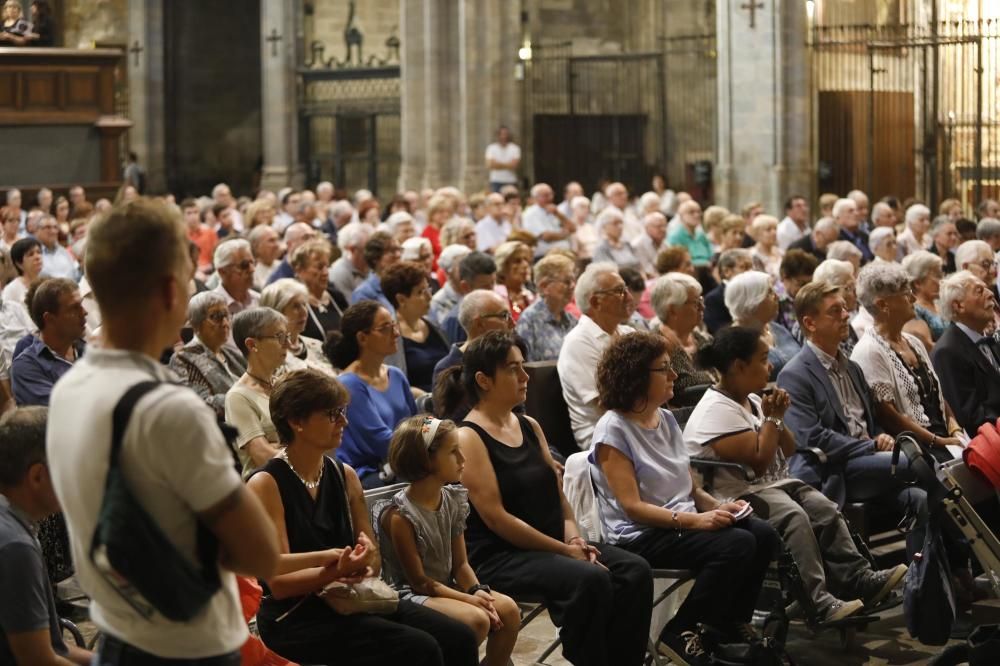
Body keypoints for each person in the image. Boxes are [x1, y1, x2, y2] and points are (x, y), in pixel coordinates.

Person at [47, 198, 279, 662]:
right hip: (186, 645)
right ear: (172, 291)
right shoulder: (169, 409)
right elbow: (261, 554)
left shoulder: (69, 387)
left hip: (118, 630)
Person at [444, 331, 654, 666]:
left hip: (553, 543)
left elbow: (559, 496)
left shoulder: (528, 424)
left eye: (523, 367)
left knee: (634, 570)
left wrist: (572, 536)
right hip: (503, 556)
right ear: (484, 380)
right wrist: (565, 550)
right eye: (513, 369)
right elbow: (497, 518)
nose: (525, 376)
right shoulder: (467, 437)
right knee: (591, 578)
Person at [247, 369, 479, 666]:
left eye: (342, 411)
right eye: (332, 414)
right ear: (296, 422)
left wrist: (365, 562)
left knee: (459, 636)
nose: (344, 421)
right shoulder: (267, 484)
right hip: (296, 617)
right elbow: (278, 583)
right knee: (420, 648)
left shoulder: (345, 475)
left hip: (352, 598)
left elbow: (372, 557)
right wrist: (338, 569)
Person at [685, 326, 906, 624]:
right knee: (794, 517)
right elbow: (761, 462)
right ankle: (817, 602)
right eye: (763, 359)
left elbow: (787, 448)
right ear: (739, 366)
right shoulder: (715, 410)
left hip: (771, 485)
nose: (771, 365)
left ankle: (859, 578)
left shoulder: (751, 398)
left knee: (824, 509)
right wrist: (773, 418)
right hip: (734, 496)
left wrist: (777, 416)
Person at [588, 331, 776, 664]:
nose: (675, 375)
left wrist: (717, 507)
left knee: (763, 534)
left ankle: (726, 625)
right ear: (637, 376)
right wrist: (697, 521)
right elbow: (632, 508)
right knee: (736, 545)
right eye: (664, 369)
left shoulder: (666, 419)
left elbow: (689, 488)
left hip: (678, 524)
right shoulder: (612, 429)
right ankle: (682, 630)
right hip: (640, 535)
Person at [776, 280, 928, 557]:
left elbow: (870, 421)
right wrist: (871, 445)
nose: (846, 315)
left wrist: (881, 437)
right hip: (834, 468)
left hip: (870, 463)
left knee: (923, 499)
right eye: (835, 311)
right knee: (920, 463)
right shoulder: (794, 374)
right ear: (810, 323)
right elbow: (812, 436)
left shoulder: (852, 367)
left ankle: (927, 585)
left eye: (846, 309)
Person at [382, 415, 521, 666]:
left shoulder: (452, 500)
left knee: (508, 611)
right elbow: (420, 582)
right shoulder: (400, 515)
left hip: (446, 587)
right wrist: (470, 600)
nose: (463, 460)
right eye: (454, 452)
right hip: (413, 594)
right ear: (427, 459)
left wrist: (478, 592)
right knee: (476, 621)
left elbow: (461, 565)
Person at [0, 407, 93, 666]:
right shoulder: (15, 546)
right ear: (38, 476)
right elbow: (39, 660)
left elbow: (56, 649)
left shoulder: (15, 524)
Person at [850, 261, 965, 460]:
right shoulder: (869, 350)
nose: (913, 298)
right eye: (905, 293)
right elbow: (890, 417)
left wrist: (954, 429)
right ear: (883, 304)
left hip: (945, 440)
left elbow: (937, 394)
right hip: (916, 450)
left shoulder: (913, 342)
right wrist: (938, 441)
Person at [324, 301, 417, 488]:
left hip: (405, 461)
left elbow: (418, 422)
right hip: (370, 474)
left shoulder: (395, 375)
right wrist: (430, 445)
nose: (396, 334)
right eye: (385, 328)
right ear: (362, 338)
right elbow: (382, 442)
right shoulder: (349, 384)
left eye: (394, 325)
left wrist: (435, 436)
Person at [558, 262, 635, 450]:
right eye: (619, 291)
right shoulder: (578, 342)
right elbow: (604, 403)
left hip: (636, 424)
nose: (629, 297)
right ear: (595, 302)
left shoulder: (627, 333)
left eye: (626, 289)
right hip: (603, 436)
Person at [932, 271, 1000, 436]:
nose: (991, 294)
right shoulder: (947, 351)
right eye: (979, 290)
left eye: (987, 288)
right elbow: (970, 417)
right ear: (958, 306)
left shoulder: (988, 338)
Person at [227, 308, 289, 479]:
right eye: (279, 337)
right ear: (252, 344)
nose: (287, 344)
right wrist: (302, 446)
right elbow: (264, 457)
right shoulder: (238, 397)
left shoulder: (286, 385)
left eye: (287, 337)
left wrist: (282, 447)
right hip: (267, 489)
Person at [168, 292, 246, 419]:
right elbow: (197, 404)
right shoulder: (182, 358)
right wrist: (244, 399)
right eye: (216, 316)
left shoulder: (232, 354)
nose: (225, 322)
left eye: (226, 315)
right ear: (196, 323)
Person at [381, 261, 449, 393]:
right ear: (401, 299)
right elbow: (392, 385)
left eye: (428, 289)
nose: (429, 297)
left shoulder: (434, 325)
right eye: (420, 292)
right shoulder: (390, 337)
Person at [650, 272, 716, 401]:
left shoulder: (705, 339)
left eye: (701, 300)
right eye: (696, 303)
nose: (703, 307)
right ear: (673, 310)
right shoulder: (655, 347)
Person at [724, 271, 800, 379]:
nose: (777, 296)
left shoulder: (777, 328)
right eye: (769, 292)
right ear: (750, 301)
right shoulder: (733, 343)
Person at [259, 278, 334, 375]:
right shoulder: (270, 357)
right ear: (277, 312)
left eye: (304, 304)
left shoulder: (316, 345)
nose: (304, 312)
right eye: (295, 306)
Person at [515, 253, 578, 362]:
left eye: (573, 281)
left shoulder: (572, 320)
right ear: (544, 286)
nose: (572, 286)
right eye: (567, 281)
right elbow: (526, 366)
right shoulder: (529, 320)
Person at [290, 239, 346, 341]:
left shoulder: (336, 296)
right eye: (319, 267)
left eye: (327, 266)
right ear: (300, 270)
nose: (325, 272)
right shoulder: (295, 304)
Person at [440, 251, 498, 344]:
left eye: (493, 284)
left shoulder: (497, 311)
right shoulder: (455, 321)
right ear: (465, 287)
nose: (491, 292)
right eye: (484, 287)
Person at [703, 248, 753, 334]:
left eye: (751, 267)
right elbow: (721, 332)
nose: (750, 272)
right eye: (744, 267)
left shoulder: (753, 293)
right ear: (726, 271)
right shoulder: (713, 299)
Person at [351, 231, 402, 312]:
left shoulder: (404, 285)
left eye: (400, 250)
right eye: (392, 251)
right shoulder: (363, 294)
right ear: (375, 258)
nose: (398, 255)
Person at [903, 251, 947, 343]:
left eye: (942, 274)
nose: (942, 280)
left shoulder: (939, 302)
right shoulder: (913, 311)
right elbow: (926, 348)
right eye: (937, 275)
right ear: (918, 283)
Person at [213, 238, 260, 318]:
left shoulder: (259, 300)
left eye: (253, 263)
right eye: (244, 265)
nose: (252, 269)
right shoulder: (211, 308)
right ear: (223, 271)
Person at [776, 250, 819, 334]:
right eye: (801, 284)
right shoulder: (775, 301)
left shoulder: (814, 296)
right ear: (784, 277)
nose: (807, 289)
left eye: (810, 283)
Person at [329, 221, 372, 304]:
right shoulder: (339, 273)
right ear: (352, 250)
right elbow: (353, 308)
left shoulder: (371, 267)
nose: (373, 254)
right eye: (368, 249)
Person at [492, 240, 534, 322]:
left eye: (526, 260)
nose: (525, 265)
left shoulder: (530, 295)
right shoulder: (495, 296)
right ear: (503, 267)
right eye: (517, 261)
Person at [429, 244, 472, 325]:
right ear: (448, 272)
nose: (469, 270)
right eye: (462, 266)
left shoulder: (477, 290)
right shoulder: (438, 302)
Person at [592, 208, 641, 273]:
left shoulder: (627, 244)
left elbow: (639, 265)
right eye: (615, 223)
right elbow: (608, 273)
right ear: (604, 227)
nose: (620, 226)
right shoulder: (601, 249)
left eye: (621, 223)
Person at [667, 200, 712, 267]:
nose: (697, 215)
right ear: (681, 216)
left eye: (699, 212)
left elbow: (711, 254)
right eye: (691, 212)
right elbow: (678, 262)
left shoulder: (701, 234)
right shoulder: (675, 236)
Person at [631, 212, 668, 279]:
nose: (663, 229)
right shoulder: (638, 245)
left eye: (665, 226)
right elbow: (648, 272)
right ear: (647, 228)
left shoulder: (664, 243)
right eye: (659, 226)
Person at [484, 126, 520, 193]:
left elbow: (514, 165)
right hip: (496, 180)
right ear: (498, 135)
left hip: (511, 180)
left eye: (505, 134)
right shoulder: (491, 148)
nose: (504, 136)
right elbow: (490, 165)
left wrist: (498, 164)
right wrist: (508, 165)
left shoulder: (515, 148)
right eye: (501, 134)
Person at [749, 215, 784, 280]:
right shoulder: (752, 255)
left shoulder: (781, 253)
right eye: (768, 230)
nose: (774, 233)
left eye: (775, 229)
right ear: (757, 233)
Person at [247, 225, 281, 290]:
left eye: (277, 240)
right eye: (271, 241)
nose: (277, 245)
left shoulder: (283, 267)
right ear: (256, 246)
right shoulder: (250, 272)